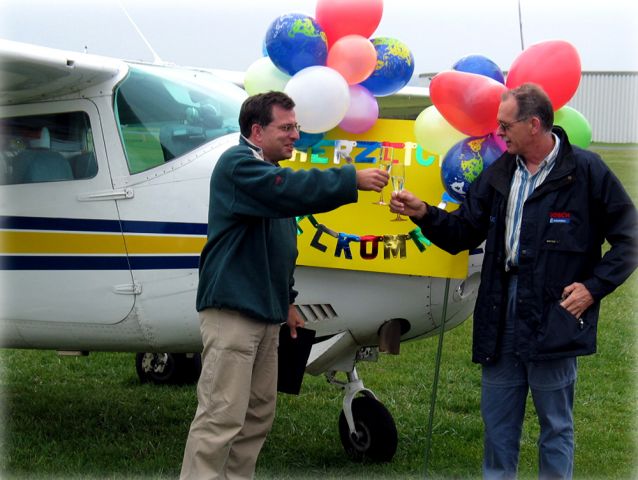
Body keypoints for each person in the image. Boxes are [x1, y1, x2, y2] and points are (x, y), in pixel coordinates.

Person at [390, 83, 637, 479]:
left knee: (555, 426)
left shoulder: (587, 172)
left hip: (554, 313)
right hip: (499, 308)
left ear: (534, 125)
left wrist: (593, 287)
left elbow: (631, 239)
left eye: (506, 125)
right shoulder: (499, 173)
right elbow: (463, 233)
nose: (499, 133)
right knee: (498, 426)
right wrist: (423, 213)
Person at [180, 91, 389, 480]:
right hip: (233, 314)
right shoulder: (238, 166)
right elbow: (287, 189)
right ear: (257, 131)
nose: (295, 135)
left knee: (258, 413)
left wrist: (287, 301)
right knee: (221, 415)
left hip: (266, 313)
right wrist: (350, 178)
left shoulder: (264, 172)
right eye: (287, 127)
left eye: (297, 127)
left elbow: (278, 249)